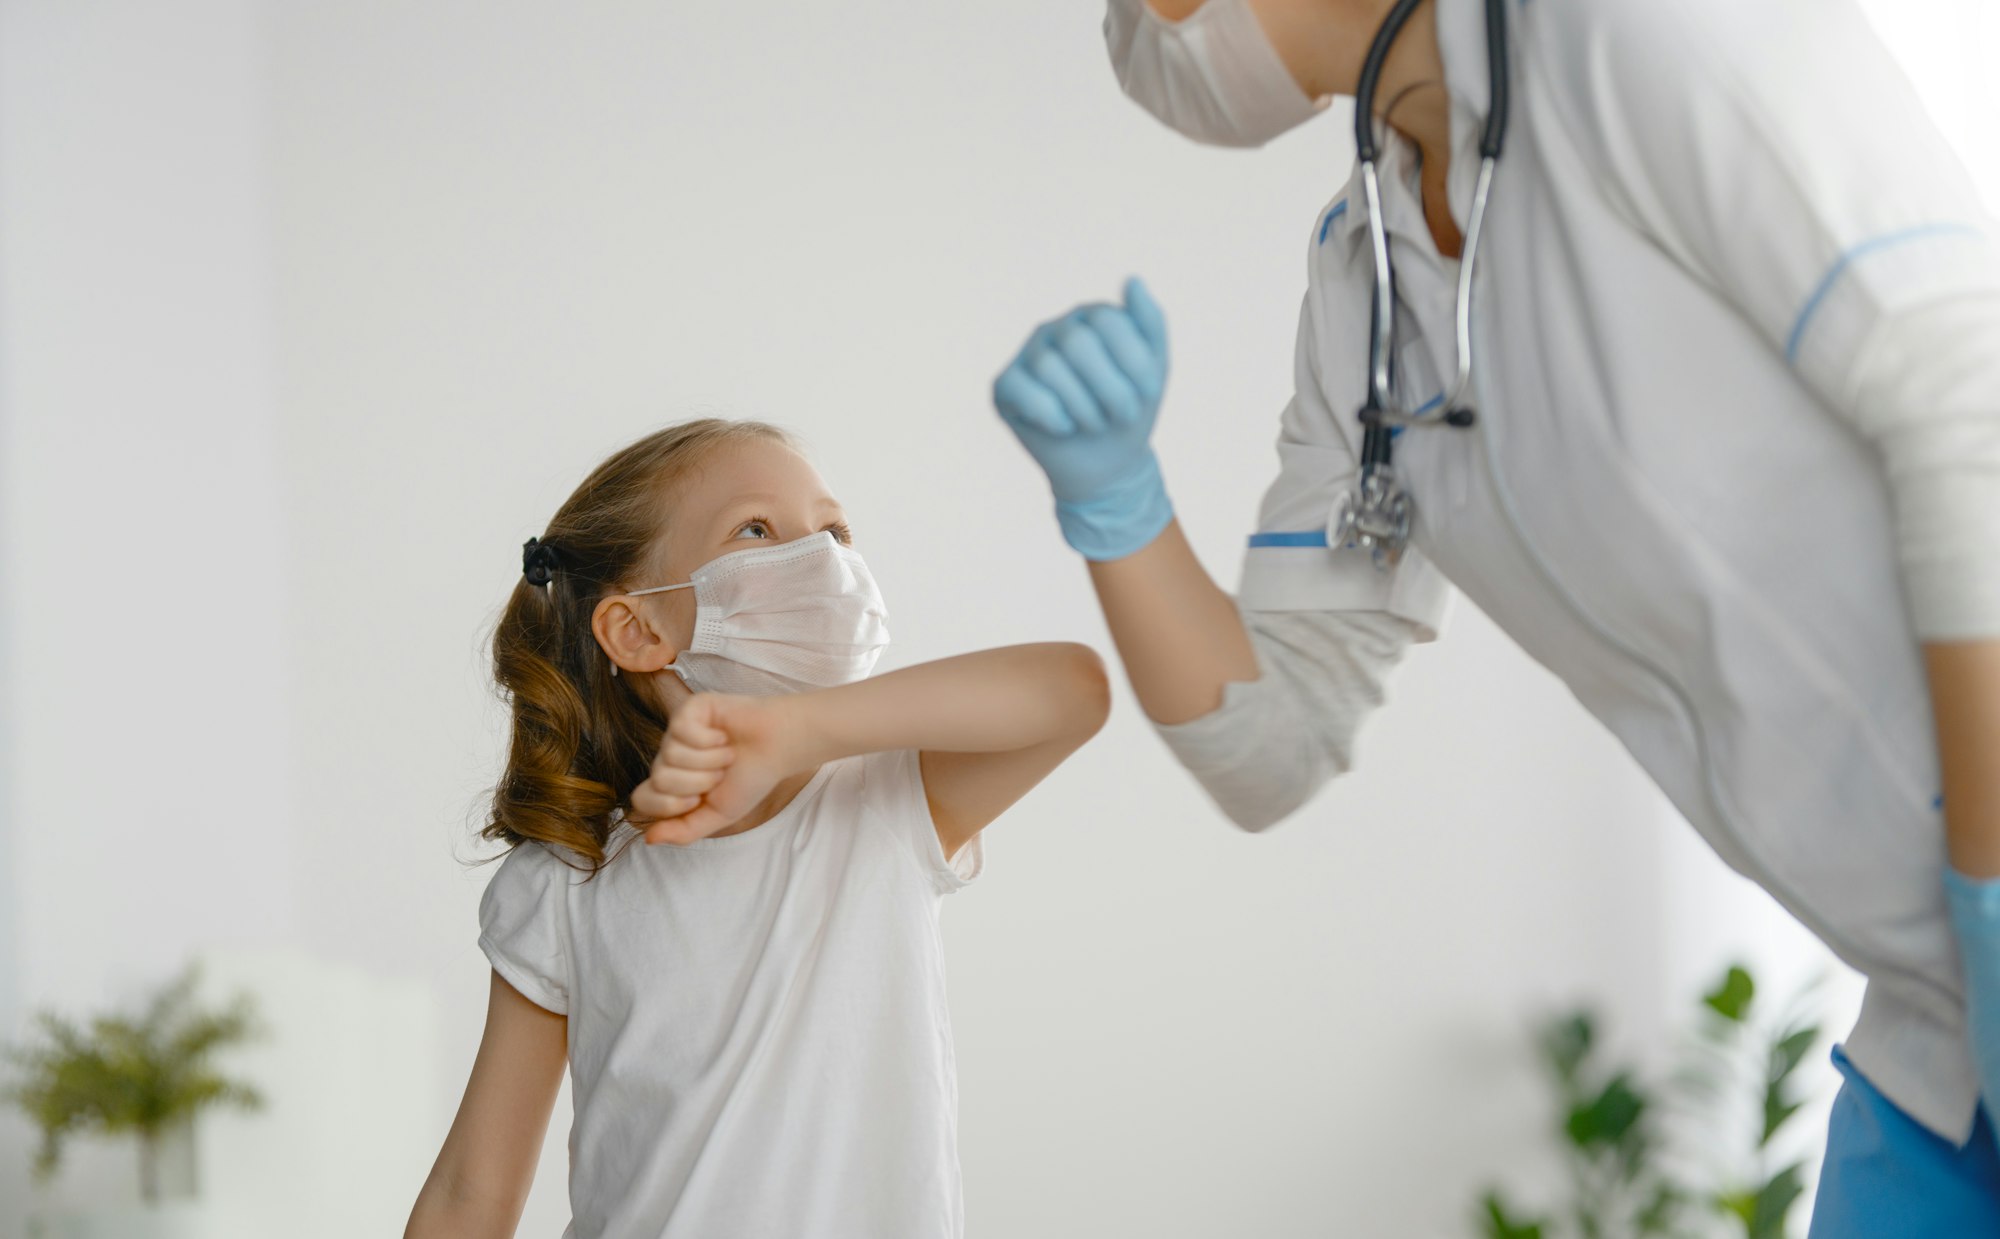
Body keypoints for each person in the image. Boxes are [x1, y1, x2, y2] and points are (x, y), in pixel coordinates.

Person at [990, 0, 2000, 1229]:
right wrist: (1117, 503)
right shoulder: (1363, 277)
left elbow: (1967, 400)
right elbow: (1274, 737)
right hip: (1930, 1024)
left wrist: (1987, 887)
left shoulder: (1643, 33)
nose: (1127, 31)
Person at [403, 419, 1109, 1238]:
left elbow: (1073, 690)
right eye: (756, 529)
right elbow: (471, 1191)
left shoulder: (882, 805)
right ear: (638, 629)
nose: (824, 558)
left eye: (835, 530)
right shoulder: (569, 875)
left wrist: (798, 733)